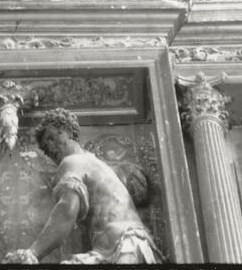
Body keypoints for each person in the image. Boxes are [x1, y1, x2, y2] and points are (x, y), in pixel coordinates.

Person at [24, 108, 160, 263]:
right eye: (45, 148)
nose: (50, 147)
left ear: (68, 131)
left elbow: (66, 212)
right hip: (131, 246)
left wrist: (32, 253)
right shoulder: (94, 163)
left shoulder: (72, 161)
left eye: (52, 138)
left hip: (123, 247)